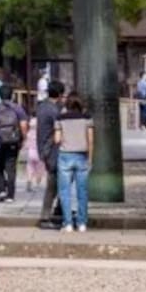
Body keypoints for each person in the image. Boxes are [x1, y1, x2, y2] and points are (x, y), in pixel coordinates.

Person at [0, 84, 28, 203]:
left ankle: (1, 191)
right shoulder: (18, 108)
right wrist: (24, 138)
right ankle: (11, 195)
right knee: (11, 168)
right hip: (13, 141)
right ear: (12, 94)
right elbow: (23, 125)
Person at [55, 93, 94, 232]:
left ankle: (68, 223)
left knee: (65, 192)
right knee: (82, 191)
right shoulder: (87, 118)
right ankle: (82, 223)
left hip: (65, 155)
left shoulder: (60, 118)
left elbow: (57, 139)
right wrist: (90, 158)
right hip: (82, 155)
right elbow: (90, 140)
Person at [35, 80, 65, 230]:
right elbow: (58, 131)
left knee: (58, 182)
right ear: (60, 94)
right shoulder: (54, 111)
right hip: (52, 150)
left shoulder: (42, 107)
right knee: (52, 185)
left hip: (44, 148)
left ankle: (58, 210)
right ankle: (45, 217)